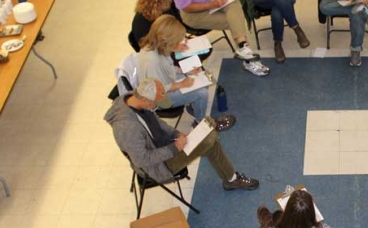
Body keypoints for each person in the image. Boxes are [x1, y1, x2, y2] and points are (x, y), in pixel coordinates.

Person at [105, 78, 259, 192]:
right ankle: (230, 178)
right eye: (156, 103)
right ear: (145, 100)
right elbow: (142, 159)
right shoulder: (127, 128)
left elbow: (157, 123)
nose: (158, 106)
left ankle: (230, 178)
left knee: (209, 138)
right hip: (158, 166)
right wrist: (174, 148)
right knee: (210, 139)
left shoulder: (133, 97)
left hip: (164, 144)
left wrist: (176, 133)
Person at [135, 14, 235, 132]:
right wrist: (181, 84)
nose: (182, 42)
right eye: (178, 40)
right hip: (159, 99)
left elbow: (168, 67)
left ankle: (194, 106)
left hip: (165, 82)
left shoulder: (156, 46)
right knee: (201, 93)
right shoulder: (152, 61)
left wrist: (183, 70)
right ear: (166, 41)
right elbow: (158, 91)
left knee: (202, 76)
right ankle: (200, 123)